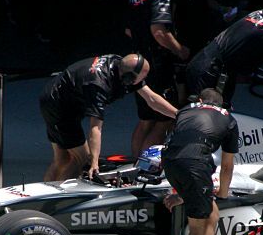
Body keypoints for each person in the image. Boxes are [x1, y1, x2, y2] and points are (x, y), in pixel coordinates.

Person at [39, 53, 177, 181]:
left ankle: (44, 197)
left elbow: (151, 98)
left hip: (54, 95)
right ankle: (60, 199)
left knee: (62, 159)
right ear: (129, 78)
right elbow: (95, 128)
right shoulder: (99, 84)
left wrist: (179, 114)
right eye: (142, 78)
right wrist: (94, 163)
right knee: (80, 160)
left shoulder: (121, 66)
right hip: (59, 107)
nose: (144, 81)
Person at [162, 88, 238, 235]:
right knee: (197, 230)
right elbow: (227, 165)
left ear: (201, 100)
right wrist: (223, 193)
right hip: (194, 164)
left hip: (169, 161)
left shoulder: (186, 110)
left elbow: (181, 145)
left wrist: (182, 194)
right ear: (221, 105)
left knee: (211, 214)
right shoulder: (229, 119)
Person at [125, 0, 190, 158]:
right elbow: (159, 31)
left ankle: (136, 166)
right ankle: (146, 167)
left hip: (138, 63)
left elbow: (128, 29)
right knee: (164, 121)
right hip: (157, 65)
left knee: (145, 121)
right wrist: (180, 50)